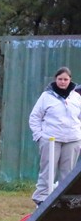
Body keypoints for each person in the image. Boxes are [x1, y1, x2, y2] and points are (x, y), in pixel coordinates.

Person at [28, 66, 81, 207]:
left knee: (68, 172)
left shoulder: (76, 97)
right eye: (60, 79)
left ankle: (65, 198)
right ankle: (41, 198)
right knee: (48, 170)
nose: (63, 82)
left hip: (72, 140)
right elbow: (35, 117)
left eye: (65, 79)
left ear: (70, 80)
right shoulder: (46, 97)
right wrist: (39, 136)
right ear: (55, 79)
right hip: (51, 140)